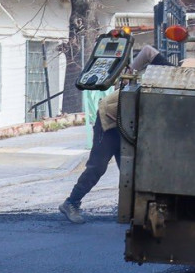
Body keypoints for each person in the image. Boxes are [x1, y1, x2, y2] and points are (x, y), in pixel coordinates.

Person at [59, 45, 166, 224]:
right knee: (97, 167)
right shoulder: (169, 69)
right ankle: (71, 203)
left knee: (130, 172)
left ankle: (131, 209)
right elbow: (147, 50)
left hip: (128, 125)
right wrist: (128, 76)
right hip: (110, 120)